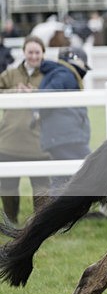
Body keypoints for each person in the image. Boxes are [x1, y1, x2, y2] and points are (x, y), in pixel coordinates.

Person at [0, 36, 51, 223]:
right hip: (9, 141)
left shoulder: (49, 74)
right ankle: (10, 222)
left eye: (37, 52)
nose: (34, 56)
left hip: (38, 141)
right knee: (7, 187)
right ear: (24, 52)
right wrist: (14, 91)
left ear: (43, 53)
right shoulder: (11, 74)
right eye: (30, 52)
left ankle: (40, 225)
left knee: (41, 186)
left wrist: (37, 94)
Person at [36, 46, 92, 195]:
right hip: (67, 137)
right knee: (93, 166)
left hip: (58, 137)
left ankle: (55, 214)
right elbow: (45, 98)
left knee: (61, 176)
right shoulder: (65, 74)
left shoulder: (59, 73)